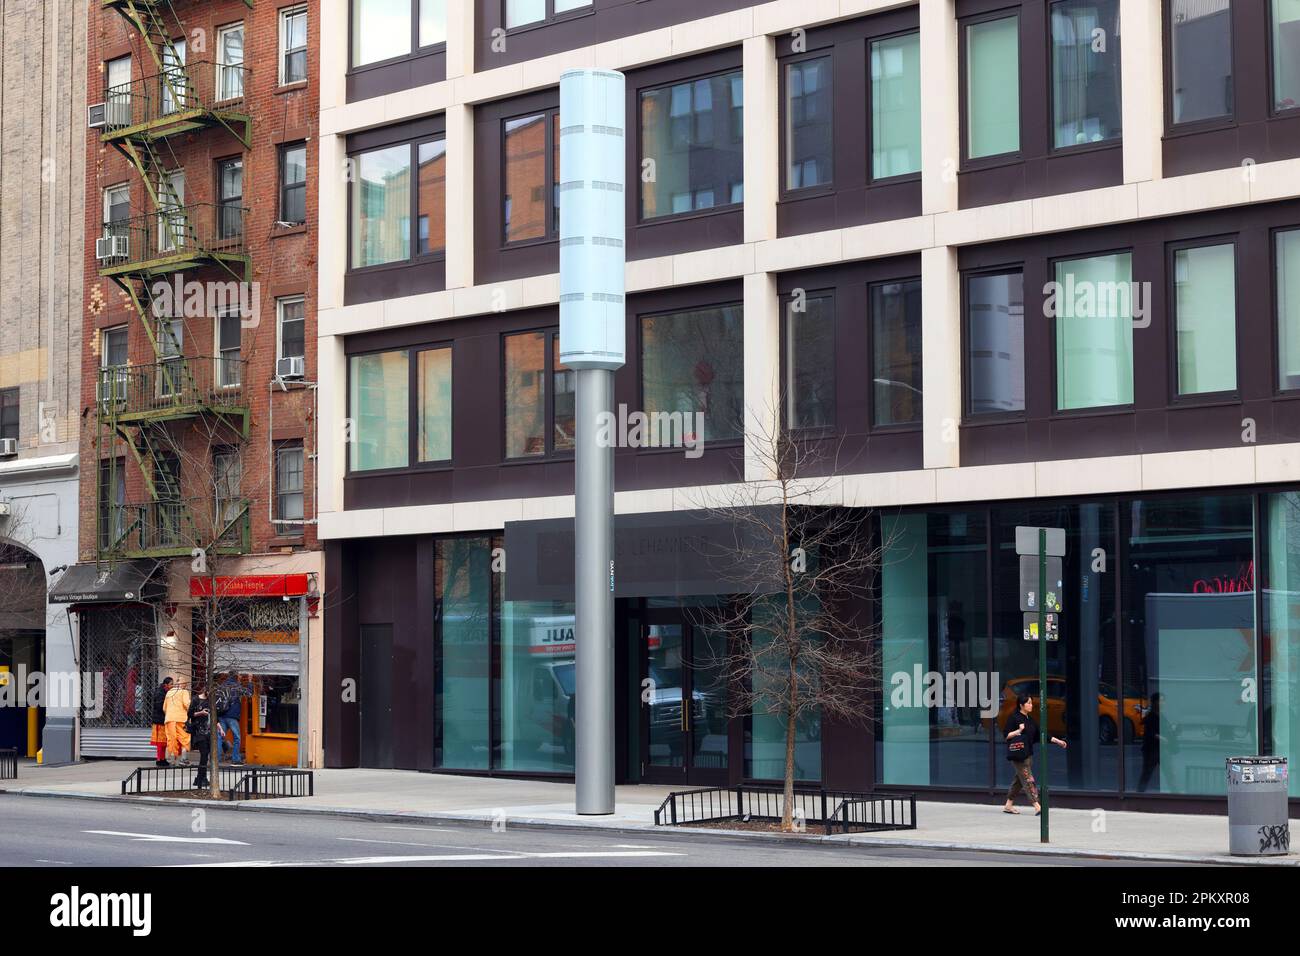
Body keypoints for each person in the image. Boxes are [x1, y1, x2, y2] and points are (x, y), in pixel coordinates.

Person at [1002, 694, 1066, 815]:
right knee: (1028, 780)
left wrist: (1057, 741)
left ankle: (1008, 805)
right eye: (1029, 703)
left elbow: (1041, 734)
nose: (1031, 705)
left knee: (1019, 780)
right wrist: (1018, 731)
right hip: (1018, 755)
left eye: (1031, 703)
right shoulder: (1014, 718)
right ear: (1021, 705)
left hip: (1028, 755)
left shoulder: (1030, 720)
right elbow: (1006, 735)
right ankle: (1037, 806)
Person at [215, 673, 247, 765]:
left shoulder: (221, 686)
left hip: (222, 715)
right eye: (240, 676)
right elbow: (249, 693)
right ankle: (235, 759)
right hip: (232, 716)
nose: (241, 677)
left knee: (219, 738)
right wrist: (249, 681)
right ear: (236, 677)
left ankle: (217, 759)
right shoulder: (236, 686)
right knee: (237, 737)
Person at [163, 679, 192, 766]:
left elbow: (164, 708)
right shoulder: (184, 692)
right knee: (184, 738)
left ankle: (172, 760)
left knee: (172, 738)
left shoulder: (169, 693)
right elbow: (187, 704)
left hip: (169, 719)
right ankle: (183, 759)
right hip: (181, 719)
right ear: (184, 685)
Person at [188, 688, 213, 789]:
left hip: (209, 731)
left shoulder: (210, 701)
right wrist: (201, 713)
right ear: (205, 690)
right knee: (204, 754)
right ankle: (200, 778)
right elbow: (189, 714)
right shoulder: (195, 700)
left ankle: (202, 777)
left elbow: (215, 717)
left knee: (206, 755)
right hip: (199, 731)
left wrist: (220, 728)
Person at [149, 677, 173, 767]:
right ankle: (159, 760)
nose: (172, 686)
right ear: (166, 685)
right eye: (171, 684)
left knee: (164, 742)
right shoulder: (160, 693)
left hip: (164, 720)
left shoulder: (165, 692)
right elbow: (160, 707)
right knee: (160, 742)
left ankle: (162, 759)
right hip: (159, 720)